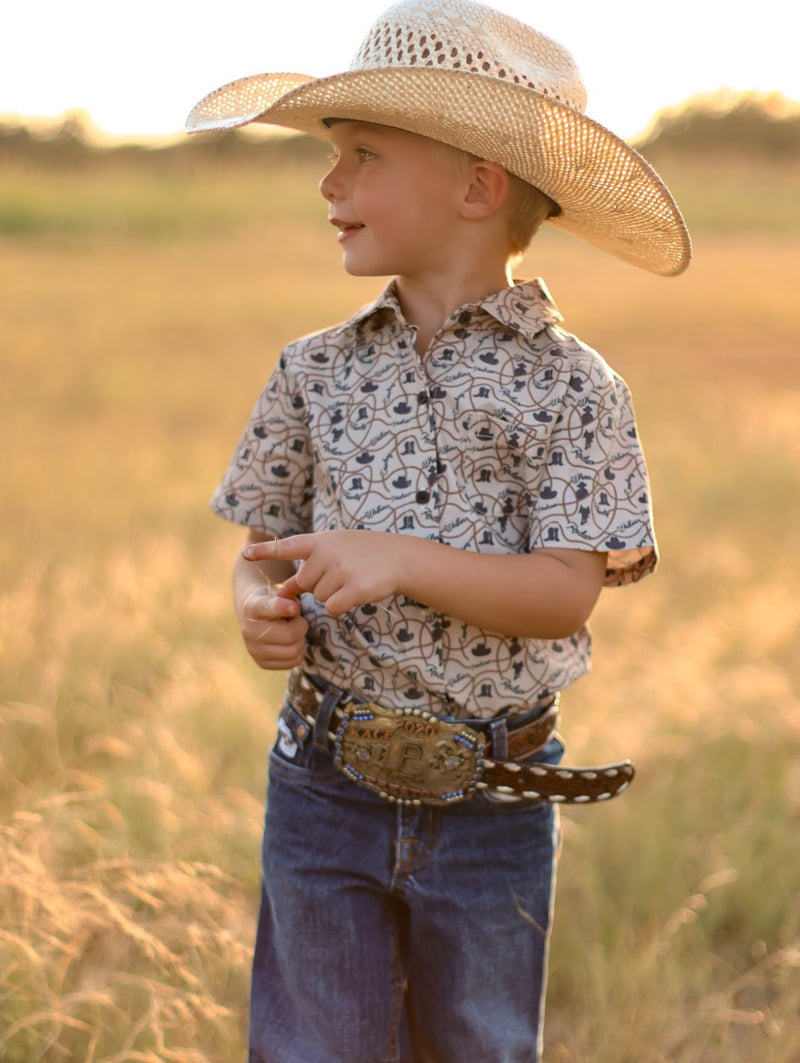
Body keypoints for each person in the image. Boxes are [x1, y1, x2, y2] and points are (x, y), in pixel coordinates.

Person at [186, 2, 690, 1060]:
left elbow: (564, 588)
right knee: (313, 1046)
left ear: (476, 185)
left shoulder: (572, 386)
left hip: (490, 801)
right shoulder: (312, 369)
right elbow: (257, 553)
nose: (327, 184)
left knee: (478, 1044)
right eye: (332, 156)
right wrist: (255, 612)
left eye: (360, 155)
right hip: (321, 778)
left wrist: (398, 559)